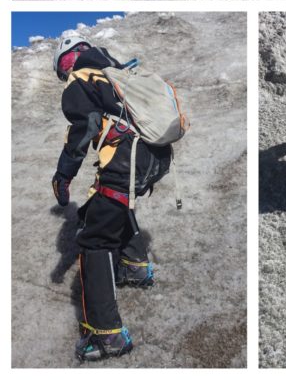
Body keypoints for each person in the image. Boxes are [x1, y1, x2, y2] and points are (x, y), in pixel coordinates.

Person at [52, 32, 172, 360]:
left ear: (73, 57)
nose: (66, 72)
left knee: (94, 242)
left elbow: (84, 128)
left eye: (64, 64)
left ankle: (108, 337)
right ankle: (134, 266)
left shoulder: (81, 78)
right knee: (107, 206)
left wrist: (63, 174)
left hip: (126, 159)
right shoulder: (116, 73)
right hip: (155, 155)